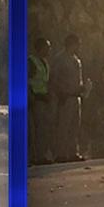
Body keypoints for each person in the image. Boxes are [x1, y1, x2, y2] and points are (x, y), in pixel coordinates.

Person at [50, 33, 88, 162]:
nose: (79, 46)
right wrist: (59, 94)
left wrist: (83, 88)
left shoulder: (76, 60)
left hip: (76, 96)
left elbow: (78, 80)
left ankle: (73, 152)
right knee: (63, 127)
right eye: (78, 44)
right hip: (64, 97)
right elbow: (54, 79)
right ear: (72, 44)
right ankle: (60, 154)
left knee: (74, 126)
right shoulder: (60, 59)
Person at [28, 36, 53, 165]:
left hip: (44, 99)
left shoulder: (44, 62)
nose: (49, 49)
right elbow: (27, 80)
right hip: (36, 99)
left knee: (44, 128)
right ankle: (34, 156)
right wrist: (30, 95)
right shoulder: (32, 62)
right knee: (36, 129)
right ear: (41, 48)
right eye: (47, 47)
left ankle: (41, 155)